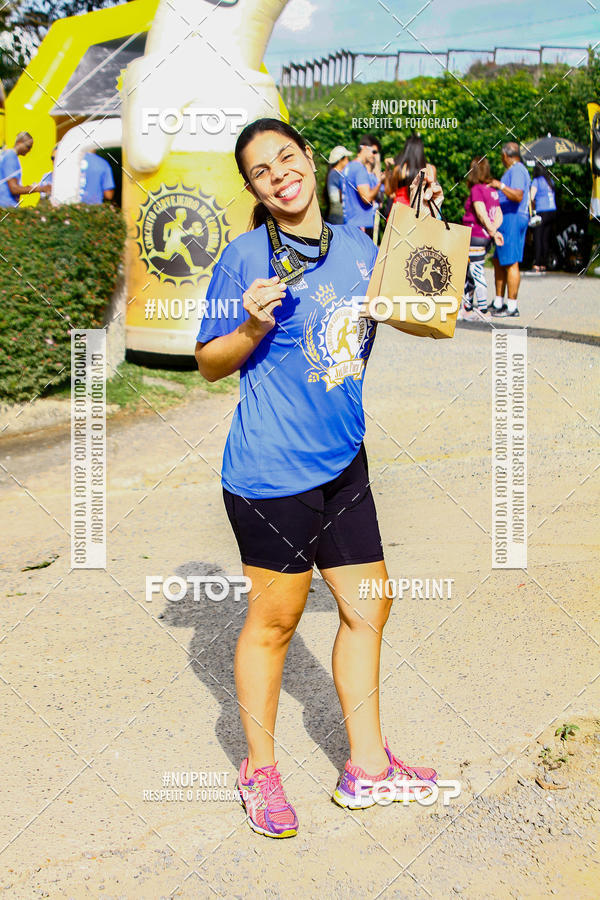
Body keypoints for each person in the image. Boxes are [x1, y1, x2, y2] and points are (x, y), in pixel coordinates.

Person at [195, 117, 441, 839]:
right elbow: (209, 360)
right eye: (261, 170)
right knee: (275, 624)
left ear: (307, 160)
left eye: (286, 157)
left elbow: (426, 317)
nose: (279, 174)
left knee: (370, 608)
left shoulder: (360, 248)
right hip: (271, 474)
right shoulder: (245, 258)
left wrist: (425, 251)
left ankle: (367, 765)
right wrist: (250, 329)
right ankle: (259, 772)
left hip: (344, 462)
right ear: (254, 189)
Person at [489, 142, 531, 317]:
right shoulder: (512, 171)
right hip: (505, 219)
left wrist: (500, 186)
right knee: (499, 261)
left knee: (511, 262)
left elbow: (518, 195)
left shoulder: (517, 170)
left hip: (513, 217)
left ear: (505, 155)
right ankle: (499, 301)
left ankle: (512, 306)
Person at [460, 156, 504, 320]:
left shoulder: (477, 189)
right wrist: (494, 231)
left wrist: (492, 231)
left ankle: (483, 309)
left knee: (476, 272)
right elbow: (498, 215)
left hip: (475, 235)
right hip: (485, 237)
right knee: (470, 272)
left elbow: (481, 212)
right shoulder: (492, 191)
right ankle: (467, 306)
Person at [341, 135, 383, 238]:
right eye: (373, 152)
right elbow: (367, 198)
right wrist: (380, 182)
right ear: (364, 147)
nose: (374, 156)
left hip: (348, 222)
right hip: (360, 225)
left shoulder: (348, 167)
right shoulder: (359, 169)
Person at [0, 132, 51, 207]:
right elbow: (14, 189)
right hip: (6, 205)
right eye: (28, 146)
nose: (29, 150)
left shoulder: (6, 154)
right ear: (19, 143)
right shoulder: (11, 157)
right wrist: (40, 188)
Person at [384, 134, 427, 207]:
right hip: (418, 209)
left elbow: (389, 192)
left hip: (399, 208)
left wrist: (387, 169)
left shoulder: (399, 169)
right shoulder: (428, 169)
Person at [530, 162, 557, 273]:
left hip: (542, 211)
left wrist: (532, 209)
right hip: (552, 212)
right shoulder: (550, 181)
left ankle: (537, 263)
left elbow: (531, 197)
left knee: (538, 238)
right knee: (545, 238)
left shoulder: (536, 181)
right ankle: (544, 264)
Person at [323, 145, 351, 224]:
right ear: (340, 160)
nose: (348, 161)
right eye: (346, 158)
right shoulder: (335, 174)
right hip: (338, 215)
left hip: (338, 214)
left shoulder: (333, 173)